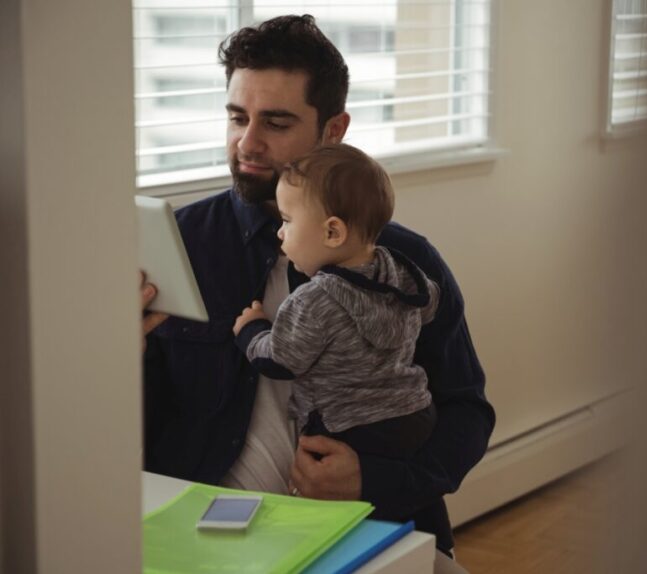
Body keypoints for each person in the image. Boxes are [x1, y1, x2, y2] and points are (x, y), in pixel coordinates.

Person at [142, 14, 494, 556]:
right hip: (204, 535)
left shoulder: (407, 263)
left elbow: (467, 412)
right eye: (238, 118)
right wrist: (121, 350)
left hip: (371, 527)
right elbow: (136, 420)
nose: (247, 143)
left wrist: (372, 480)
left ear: (333, 131)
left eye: (276, 123)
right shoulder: (177, 243)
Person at [232, 143, 439, 462]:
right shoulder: (403, 274)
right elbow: (429, 307)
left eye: (287, 221)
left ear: (332, 232)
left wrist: (252, 330)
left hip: (344, 429)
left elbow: (283, 361)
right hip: (413, 416)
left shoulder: (314, 299)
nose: (280, 234)